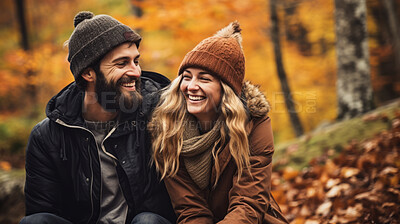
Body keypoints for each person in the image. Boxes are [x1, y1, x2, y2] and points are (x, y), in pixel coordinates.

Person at [20, 11, 176, 224]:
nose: (136, 72)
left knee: (148, 221)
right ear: (88, 73)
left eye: (136, 61)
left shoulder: (160, 115)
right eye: (122, 64)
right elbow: (43, 209)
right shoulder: (47, 136)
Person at [148, 21, 289, 223]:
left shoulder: (254, 123)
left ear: (226, 89)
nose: (191, 86)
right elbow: (191, 210)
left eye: (204, 79)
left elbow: (248, 203)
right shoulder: (167, 128)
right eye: (186, 77)